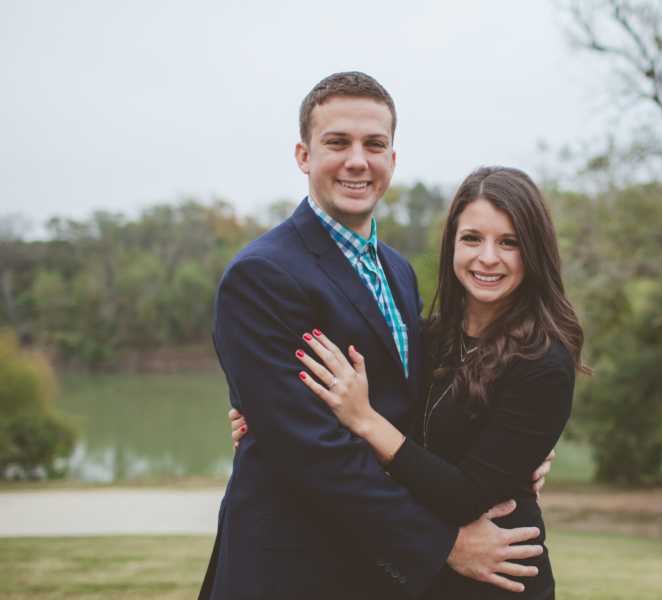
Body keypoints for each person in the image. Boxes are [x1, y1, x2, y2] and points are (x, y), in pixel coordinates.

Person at [199, 72, 549, 600]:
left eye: (374, 144)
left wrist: (508, 453)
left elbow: (417, 403)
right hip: (292, 567)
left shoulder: (397, 270)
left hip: (375, 572)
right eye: (337, 142)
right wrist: (442, 543)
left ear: (392, 158)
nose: (357, 160)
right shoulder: (262, 275)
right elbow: (311, 451)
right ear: (303, 155)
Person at [231, 166, 586, 598]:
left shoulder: (543, 359)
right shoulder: (429, 337)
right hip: (421, 576)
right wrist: (270, 419)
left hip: (498, 574)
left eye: (509, 242)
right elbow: (391, 420)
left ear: (534, 251)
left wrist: (365, 420)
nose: (488, 257)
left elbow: (465, 495)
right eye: (472, 238)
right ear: (451, 244)